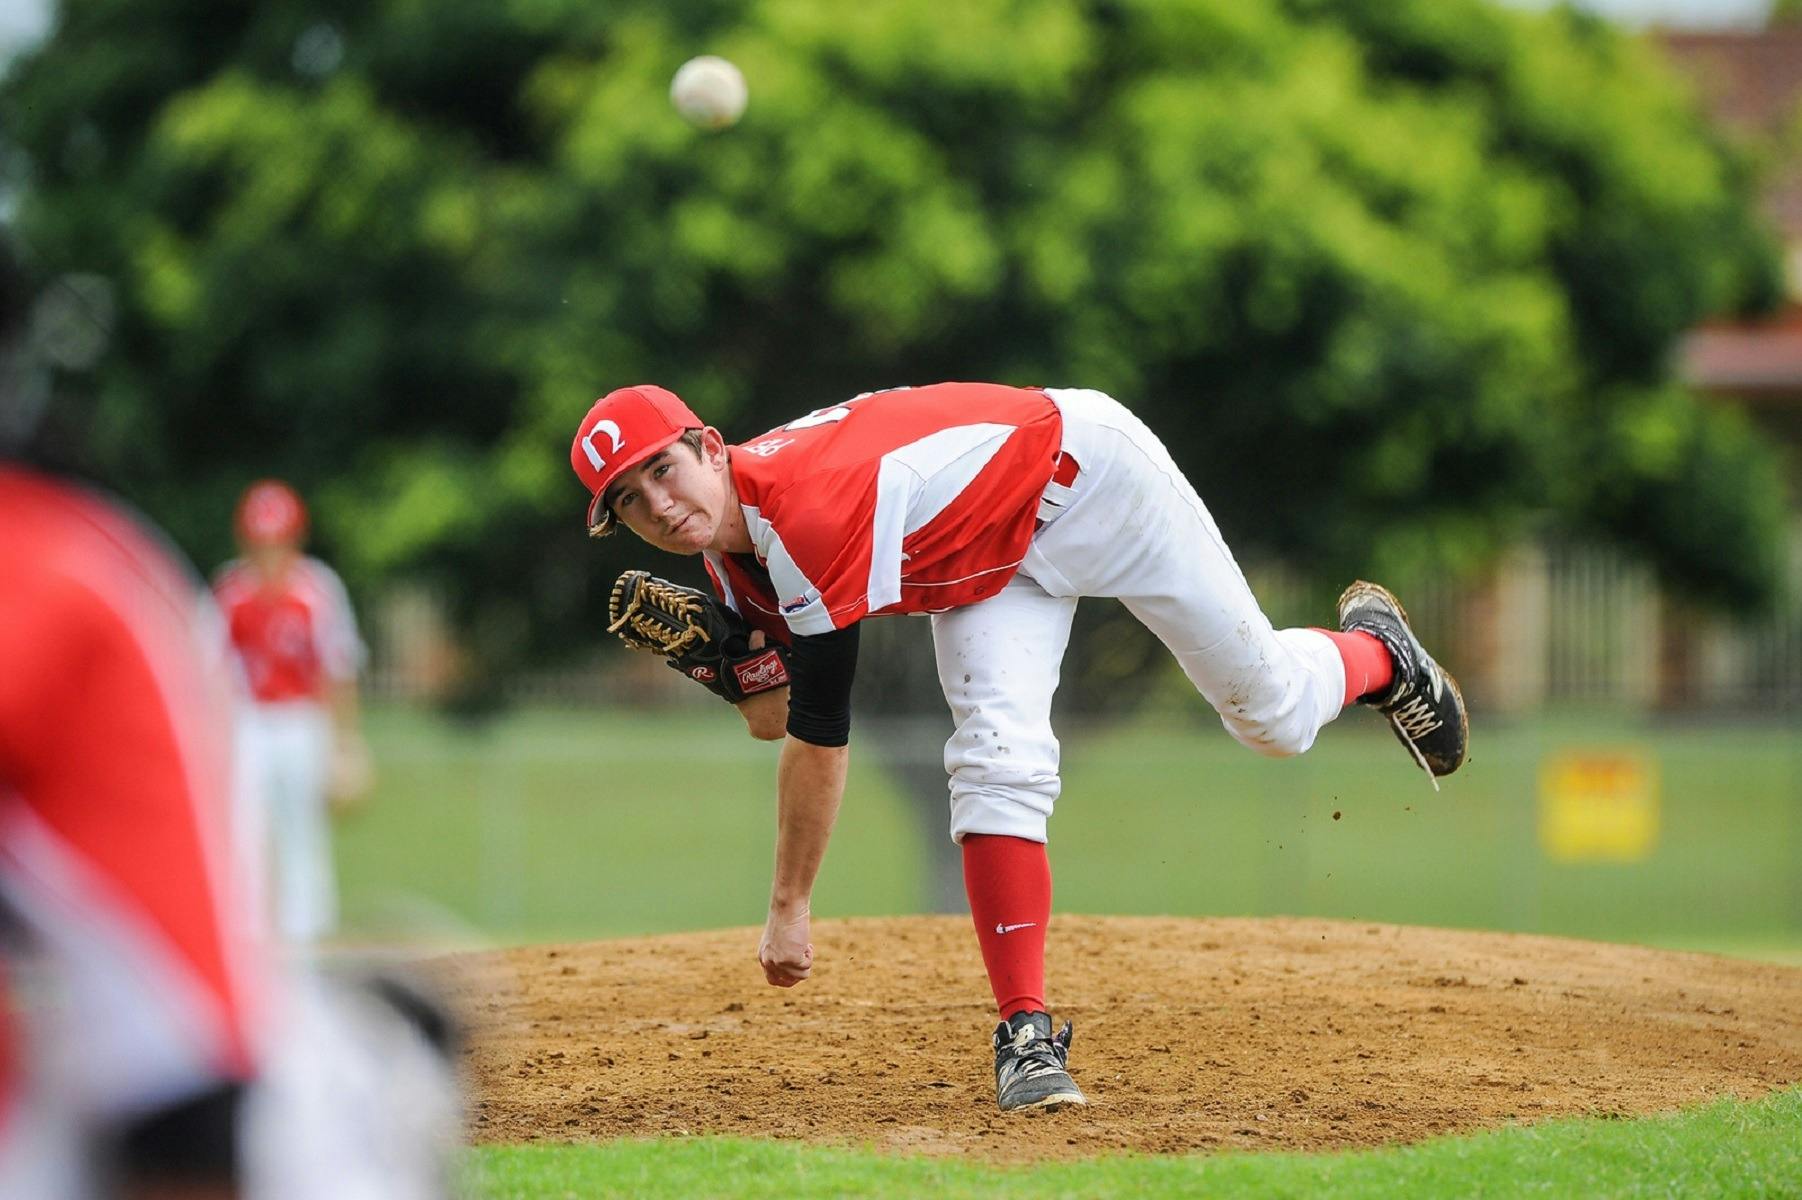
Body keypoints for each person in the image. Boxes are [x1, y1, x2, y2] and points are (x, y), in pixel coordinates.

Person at [570, 382, 1468, 1112]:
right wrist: (728, 671)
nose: (659, 505)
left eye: (662, 469)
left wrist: (789, 907)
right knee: (995, 762)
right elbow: (776, 715)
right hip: (990, 563)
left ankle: (1378, 656)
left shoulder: (804, 511)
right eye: (629, 501)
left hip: (1091, 481)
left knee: (1272, 717)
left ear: (709, 446)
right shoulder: (735, 557)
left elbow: (820, 732)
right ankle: (1027, 1036)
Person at [213, 482, 371, 946]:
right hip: (248, 722)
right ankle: (244, 936)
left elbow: (338, 667)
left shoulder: (317, 589)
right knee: (244, 830)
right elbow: (207, 672)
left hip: (303, 719)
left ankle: (309, 937)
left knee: (303, 829)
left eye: (278, 541)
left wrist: (347, 743)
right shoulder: (230, 592)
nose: (270, 553)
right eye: (261, 542)